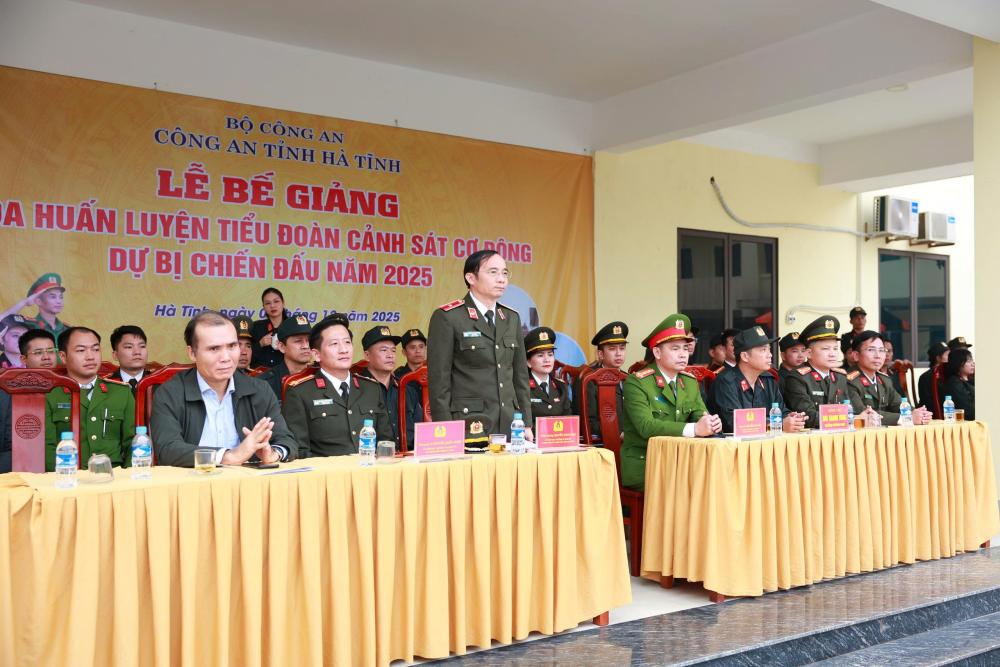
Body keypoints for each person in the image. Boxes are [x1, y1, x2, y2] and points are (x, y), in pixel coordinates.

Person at [149, 310, 297, 467]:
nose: (226, 358)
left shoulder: (260, 390)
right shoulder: (170, 393)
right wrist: (227, 456)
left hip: (247, 480)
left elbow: (287, 441)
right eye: (214, 349)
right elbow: (168, 450)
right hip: (193, 479)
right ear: (192, 353)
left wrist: (273, 453)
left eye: (232, 346)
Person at [427, 249, 532, 451]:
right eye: (493, 272)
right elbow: (439, 381)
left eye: (504, 273)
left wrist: (526, 422)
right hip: (469, 423)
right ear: (471, 278)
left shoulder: (511, 317)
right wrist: (445, 430)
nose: (501, 279)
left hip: (510, 423)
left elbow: (520, 376)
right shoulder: (449, 317)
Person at [620, 314, 722, 491]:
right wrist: (694, 429)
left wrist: (710, 423)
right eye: (675, 349)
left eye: (685, 348)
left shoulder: (689, 381)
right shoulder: (637, 382)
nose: (683, 354)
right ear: (657, 353)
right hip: (647, 464)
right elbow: (646, 427)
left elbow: (700, 414)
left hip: (682, 462)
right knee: (698, 487)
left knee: (719, 479)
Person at [282, 314, 393, 457]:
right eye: (334, 344)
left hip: (370, 468)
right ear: (316, 355)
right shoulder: (300, 392)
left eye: (347, 342)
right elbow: (299, 451)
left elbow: (386, 442)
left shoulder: (371, 389)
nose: (344, 350)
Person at [43, 326, 135, 471]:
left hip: (113, 477)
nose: (90, 356)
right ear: (63, 356)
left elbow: (133, 443)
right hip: (67, 477)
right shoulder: (50, 395)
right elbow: (46, 448)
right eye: (81, 350)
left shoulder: (121, 393)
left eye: (96, 349)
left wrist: (129, 477)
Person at [709, 326, 807, 434]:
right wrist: (778, 424)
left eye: (769, 349)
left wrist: (792, 418)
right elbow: (734, 422)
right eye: (763, 350)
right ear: (745, 356)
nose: (770, 355)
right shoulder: (725, 382)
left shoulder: (768, 380)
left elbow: (781, 411)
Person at [846, 331, 931, 425]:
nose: (878, 356)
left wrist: (918, 413)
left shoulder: (884, 380)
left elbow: (899, 405)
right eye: (871, 350)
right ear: (856, 356)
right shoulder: (849, 381)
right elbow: (864, 415)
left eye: (882, 350)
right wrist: (906, 418)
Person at [358, 324, 422, 447]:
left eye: (393, 350)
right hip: (371, 455)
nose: (390, 355)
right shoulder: (357, 390)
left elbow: (421, 430)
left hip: (408, 456)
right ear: (367, 355)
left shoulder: (406, 389)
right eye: (383, 350)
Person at [783, 315, 851, 429]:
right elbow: (808, 416)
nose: (832, 354)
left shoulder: (840, 376)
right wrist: (846, 418)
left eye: (835, 348)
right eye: (826, 349)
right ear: (808, 353)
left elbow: (850, 409)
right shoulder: (797, 378)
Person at [577, 321, 628, 443]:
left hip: (630, 441)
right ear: (600, 354)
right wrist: (618, 433)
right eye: (612, 349)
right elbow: (589, 421)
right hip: (603, 442)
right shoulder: (590, 380)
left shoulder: (628, 378)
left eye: (622, 348)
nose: (618, 353)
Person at [523, 326, 571, 430]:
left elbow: (568, 420)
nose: (547, 360)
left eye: (550, 354)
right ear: (528, 362)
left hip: (558, 437)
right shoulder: (522, 387)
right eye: (540, 355)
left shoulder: (561, 386)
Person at [259, 315, 314, 401]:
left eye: (309, 340)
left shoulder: (321, 377)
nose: (306, 346)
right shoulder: (265, 383)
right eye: (298, 341)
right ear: (282, 347)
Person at [250, 287, 290, 368]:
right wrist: (260, 344)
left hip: (286, 373)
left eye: (276, 301)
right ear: (263, 307)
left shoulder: (292, 326)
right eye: (268, 303)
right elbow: (246, 356)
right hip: (260, 374)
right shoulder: (256, 327)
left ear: (283, 303)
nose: (272, 306)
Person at [108, 325, 149, 393]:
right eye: (129, 347)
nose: (137, 352)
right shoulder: (106, 385)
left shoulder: (159, 383)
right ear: (115, 355)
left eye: (142, 346)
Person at [941, 348, 975, 420]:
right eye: (968, 361)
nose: (973, 364)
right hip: (965, 421)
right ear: (958, 363)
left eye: (972, 360)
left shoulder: (971, 380)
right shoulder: (954, 383)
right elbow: (968, 409)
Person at [917, 341, 949, 410]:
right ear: (938, 358)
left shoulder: (948, 374)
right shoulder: (926, 377)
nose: (950, 358)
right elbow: (928, 403)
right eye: (947, 355)